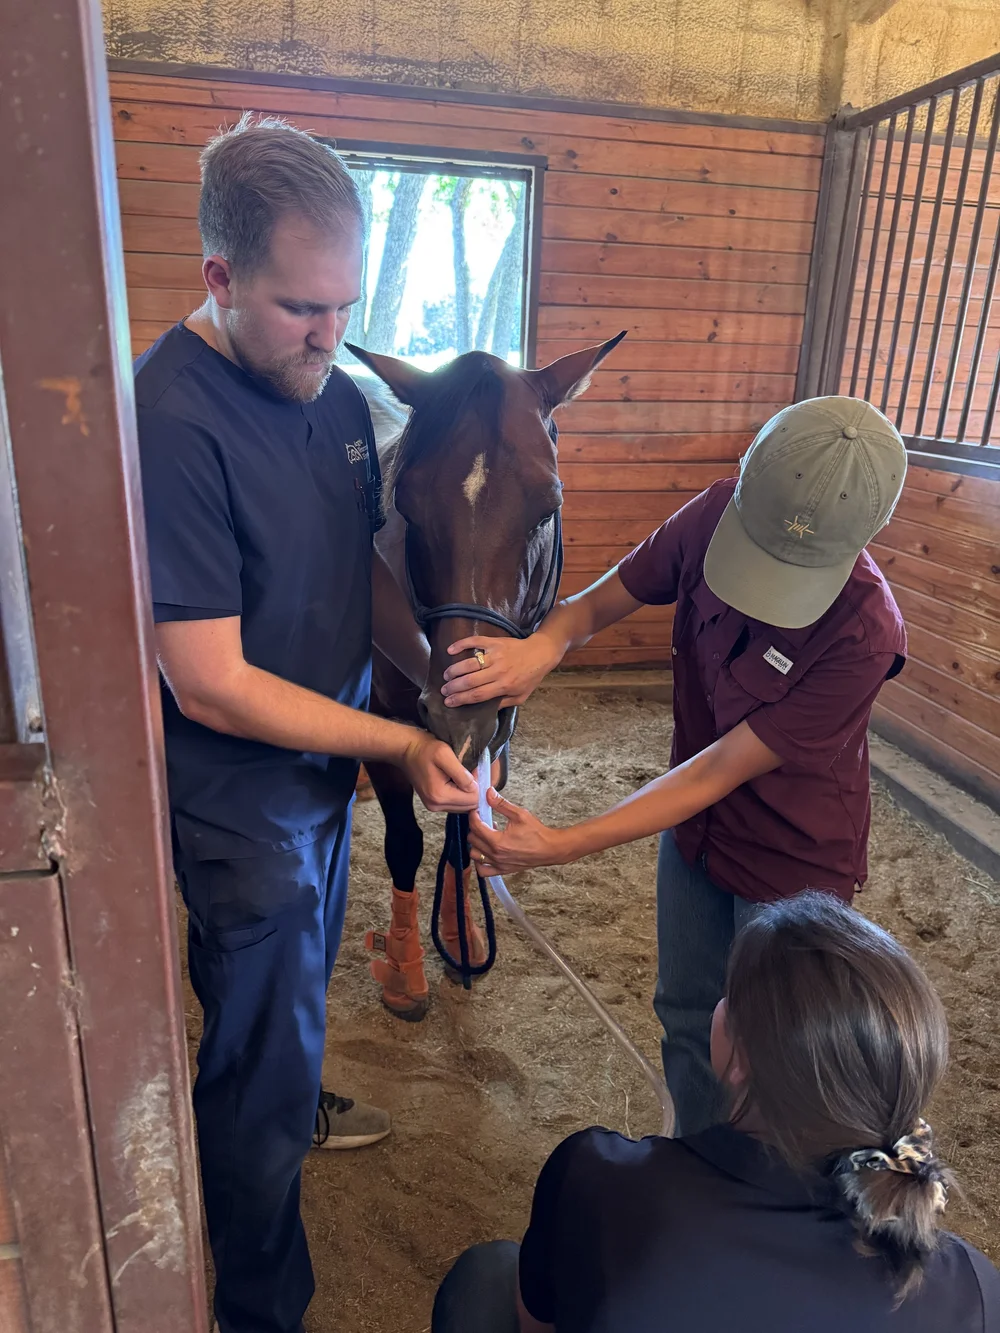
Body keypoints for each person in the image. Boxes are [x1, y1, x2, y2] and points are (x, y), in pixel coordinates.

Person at [135, 114, 479, 1333]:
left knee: (277, 1012)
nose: (331, 337)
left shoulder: (331, 394)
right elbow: (207, 679)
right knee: (260, 1027)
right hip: (242, 799)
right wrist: (393, 744)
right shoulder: (172, 420)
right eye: (299, 309)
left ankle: (275, 1088)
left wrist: (435, 673)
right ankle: (260, 1306)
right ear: (219, 277)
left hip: (322, 770)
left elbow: (355, 562)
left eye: (345, 304)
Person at [444, 396, 908, 1135]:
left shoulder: (863, 630)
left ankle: (755, 1206)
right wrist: (544, 644)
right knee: (687, 1011)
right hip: (695, 837)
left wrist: (561, 842)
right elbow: (599, 604)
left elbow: (716, 768)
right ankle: (695, 1164)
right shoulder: (715, 511)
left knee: (776, 1053)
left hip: (794, 859)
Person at [431, 892, 1000, 1333]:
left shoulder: (598, 1176)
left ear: (740, 1059)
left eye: (729, 995)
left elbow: (542, 1325)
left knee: (487, 1277)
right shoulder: (973, 1287)